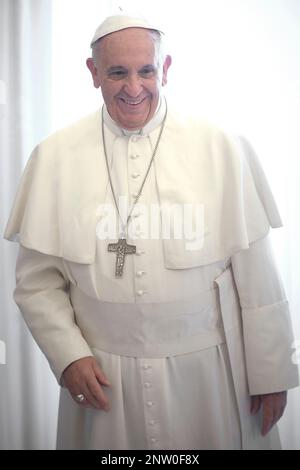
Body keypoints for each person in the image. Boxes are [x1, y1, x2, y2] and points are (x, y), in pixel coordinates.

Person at [4, 13, 299, 450]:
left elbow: (258, 276)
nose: (134, 87)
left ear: (165, 69)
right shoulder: (55, 156)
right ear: (93, 74)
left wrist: (271, 372)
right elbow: (37, 282)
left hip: (209, 374)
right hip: (105, 374)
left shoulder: (221, 145)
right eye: (117, 72)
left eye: (146, 71)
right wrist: (69, 355)